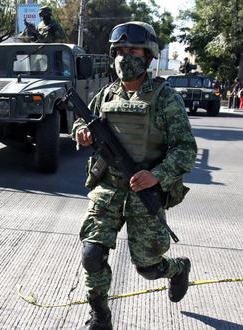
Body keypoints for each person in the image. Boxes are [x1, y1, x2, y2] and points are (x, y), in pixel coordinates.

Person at [71, 22, 197, 329]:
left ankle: (178, 269)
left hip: (145, 192)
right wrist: (82, 132)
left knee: (148, 267)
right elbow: (80, 121)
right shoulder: (106, 94)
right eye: (120, 51)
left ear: (149, 55)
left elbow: (185, 149)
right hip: (108, 188)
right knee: (91, 254)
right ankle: (100, 317)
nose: (125, 57)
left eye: (133, 50)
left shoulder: (165, 98)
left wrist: (157, 175)